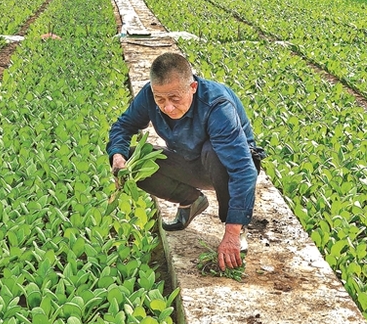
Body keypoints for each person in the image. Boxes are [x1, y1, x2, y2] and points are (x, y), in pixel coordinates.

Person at [106, 52, 264, 270]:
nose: (167, 107)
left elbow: (243, 169)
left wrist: (232, 232)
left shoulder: (217, 106)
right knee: (136, 160)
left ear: (192, 88)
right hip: (188, 159)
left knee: (214, 151)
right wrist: (118, 156)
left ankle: (239, 229)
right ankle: (191, 201)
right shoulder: (149, 96)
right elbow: (123, 126)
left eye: (175, 99)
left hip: (225, 163)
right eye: (160, 99)